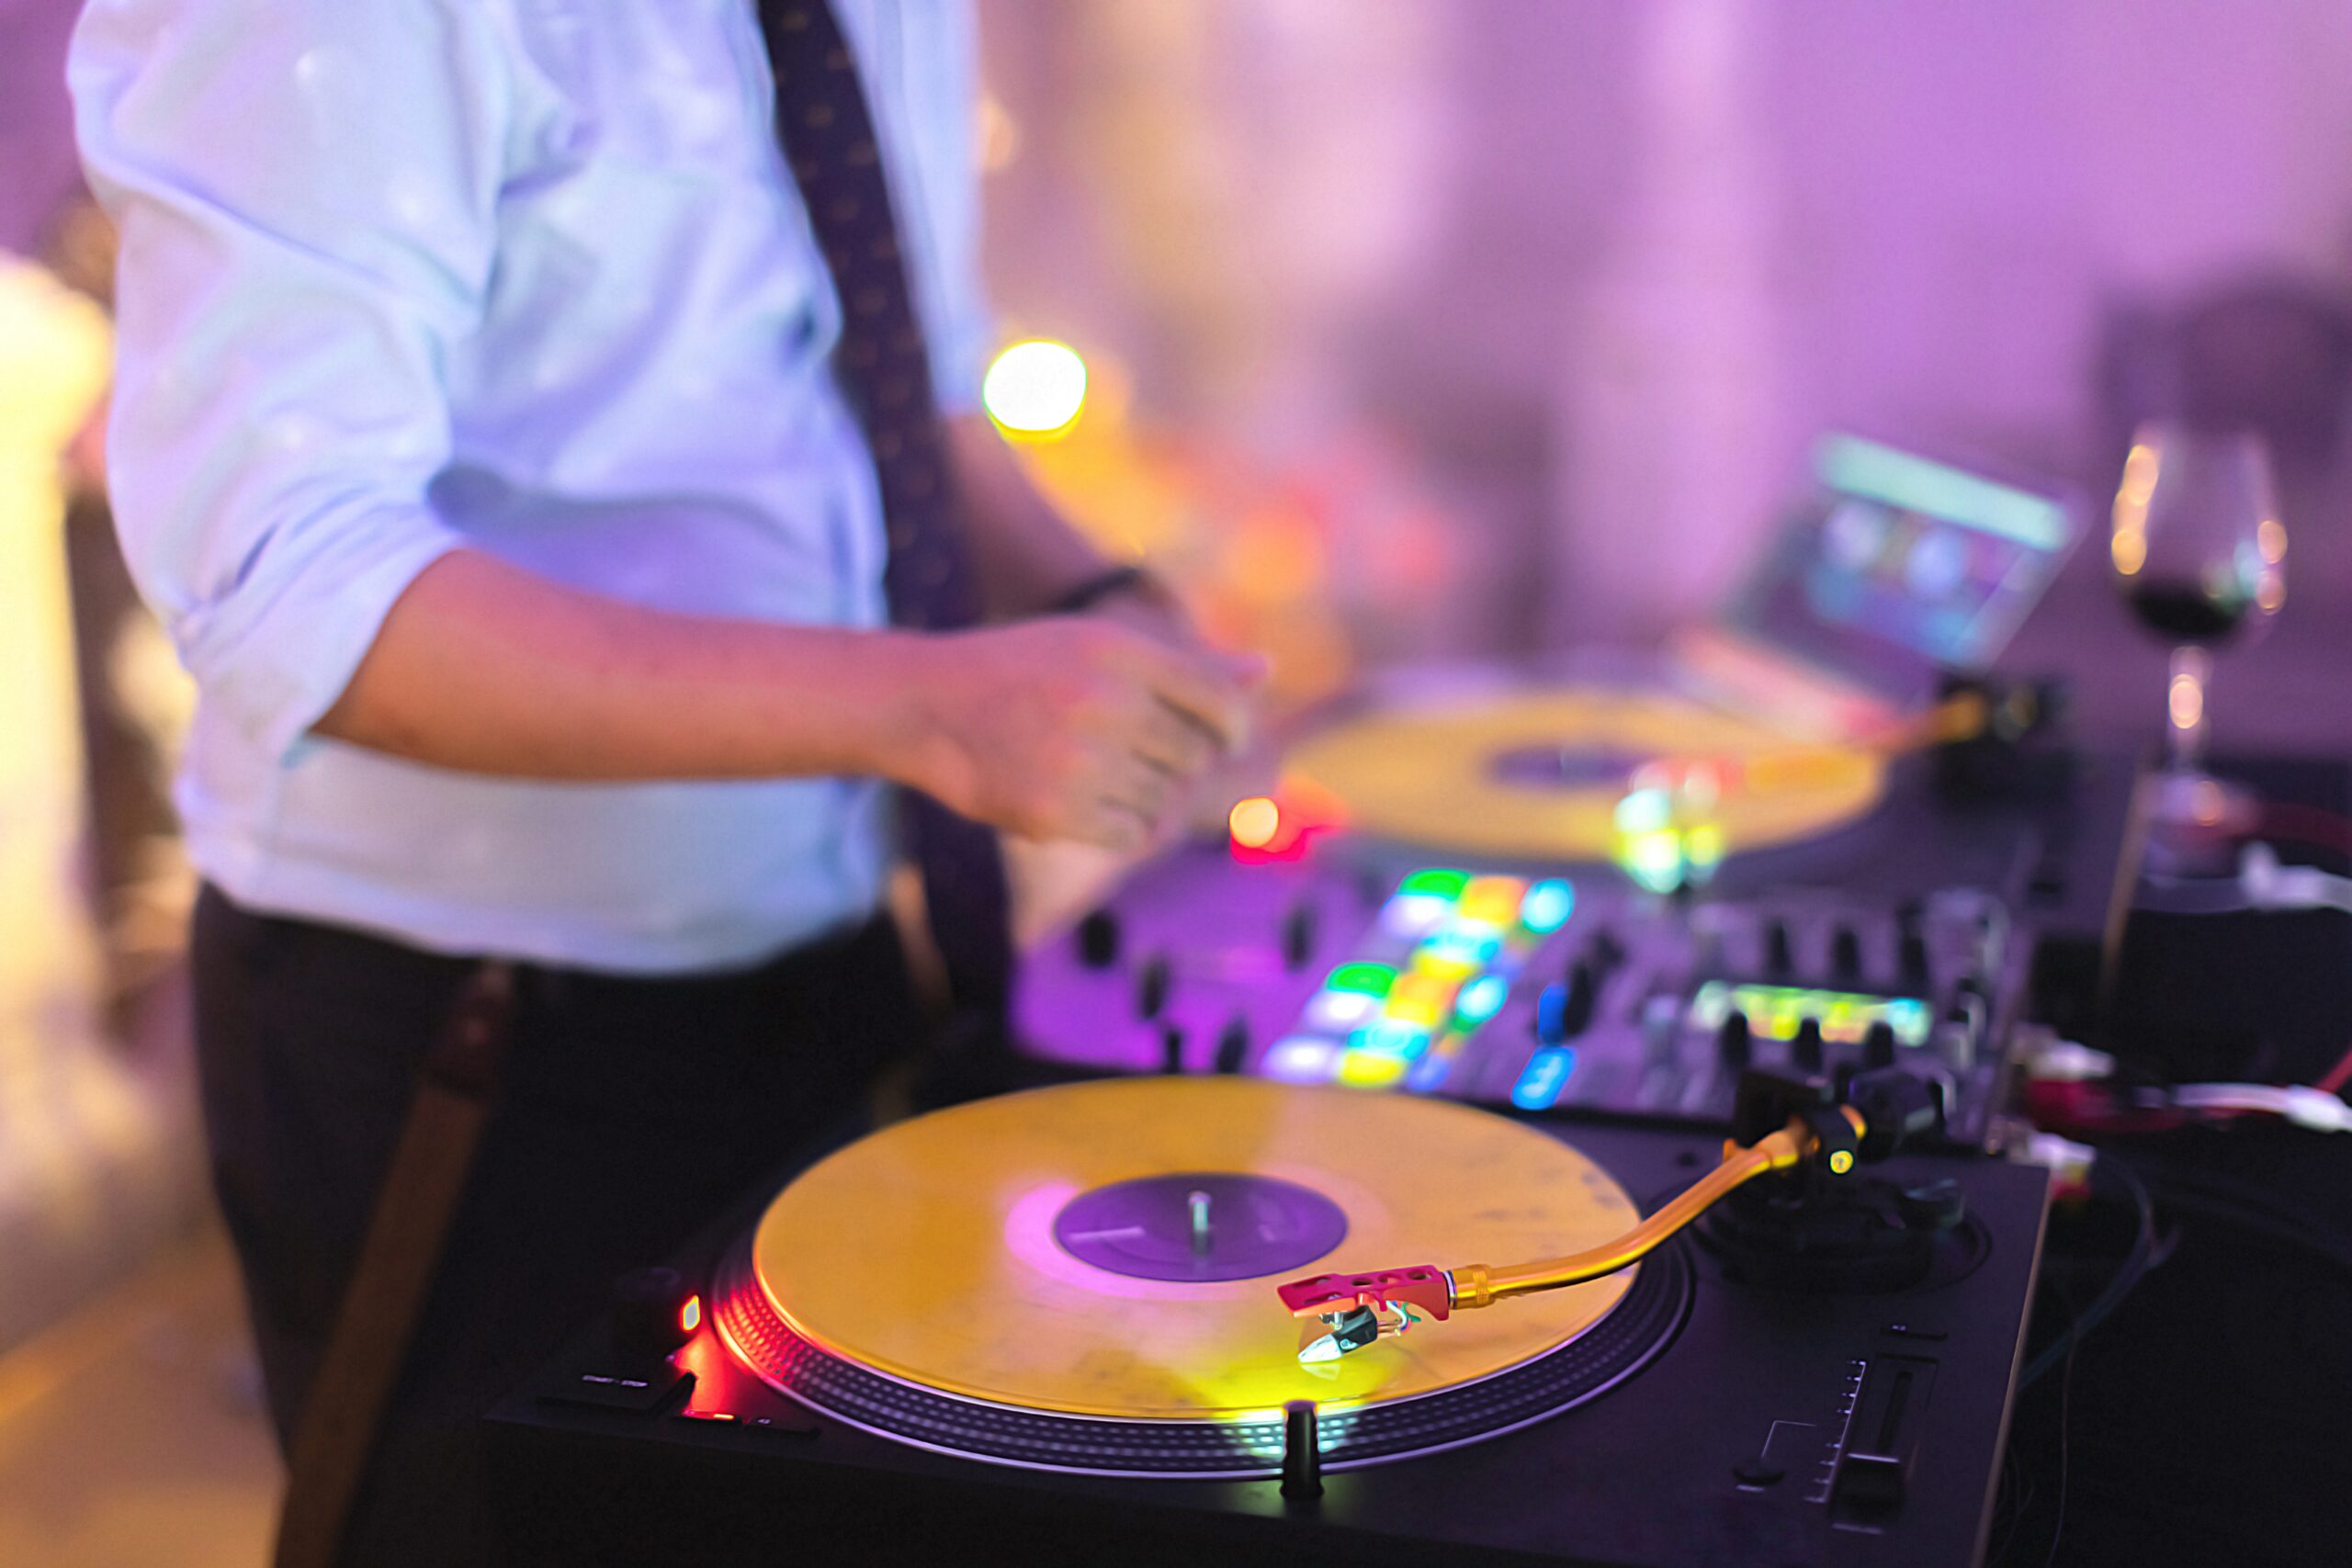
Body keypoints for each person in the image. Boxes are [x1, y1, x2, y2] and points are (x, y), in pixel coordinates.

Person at [68, 1, 1262, 1562]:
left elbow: (908, 387)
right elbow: (297, 590)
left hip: (832, 945)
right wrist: (930, 708)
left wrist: (1096, 597)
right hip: (472, 1038)